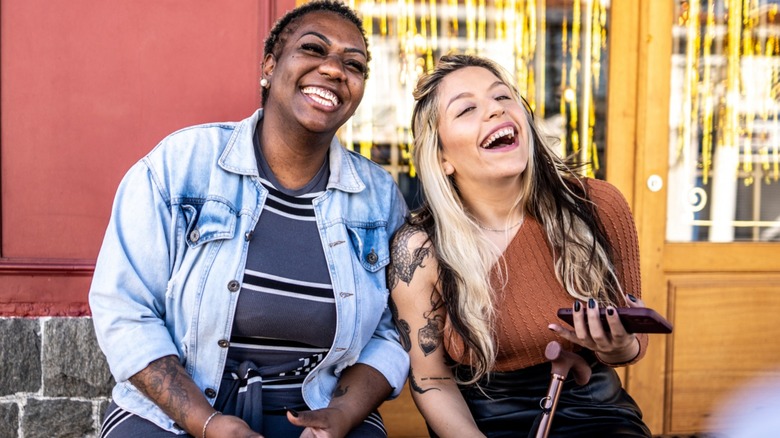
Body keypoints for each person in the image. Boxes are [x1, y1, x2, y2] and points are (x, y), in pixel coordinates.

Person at [89, 2, 409, 437]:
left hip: (318, 412)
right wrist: (206, 423)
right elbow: (124, 310)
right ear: (269, 65)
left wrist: (344, 415)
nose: (334, 70)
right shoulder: (180, 165)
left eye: (353, 64)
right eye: (313, 49)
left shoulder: (377, 198)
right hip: (175, 414)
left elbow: (390, 332)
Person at [388, 54, 652, 437]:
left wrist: (616, 345)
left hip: (593, 412)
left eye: (502, 97)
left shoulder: (598, 205)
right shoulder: (419, 250)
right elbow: (432, 380)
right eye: (467, 109)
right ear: (442, 157)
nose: (495, 111)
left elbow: (631, 347)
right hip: (482, 420)